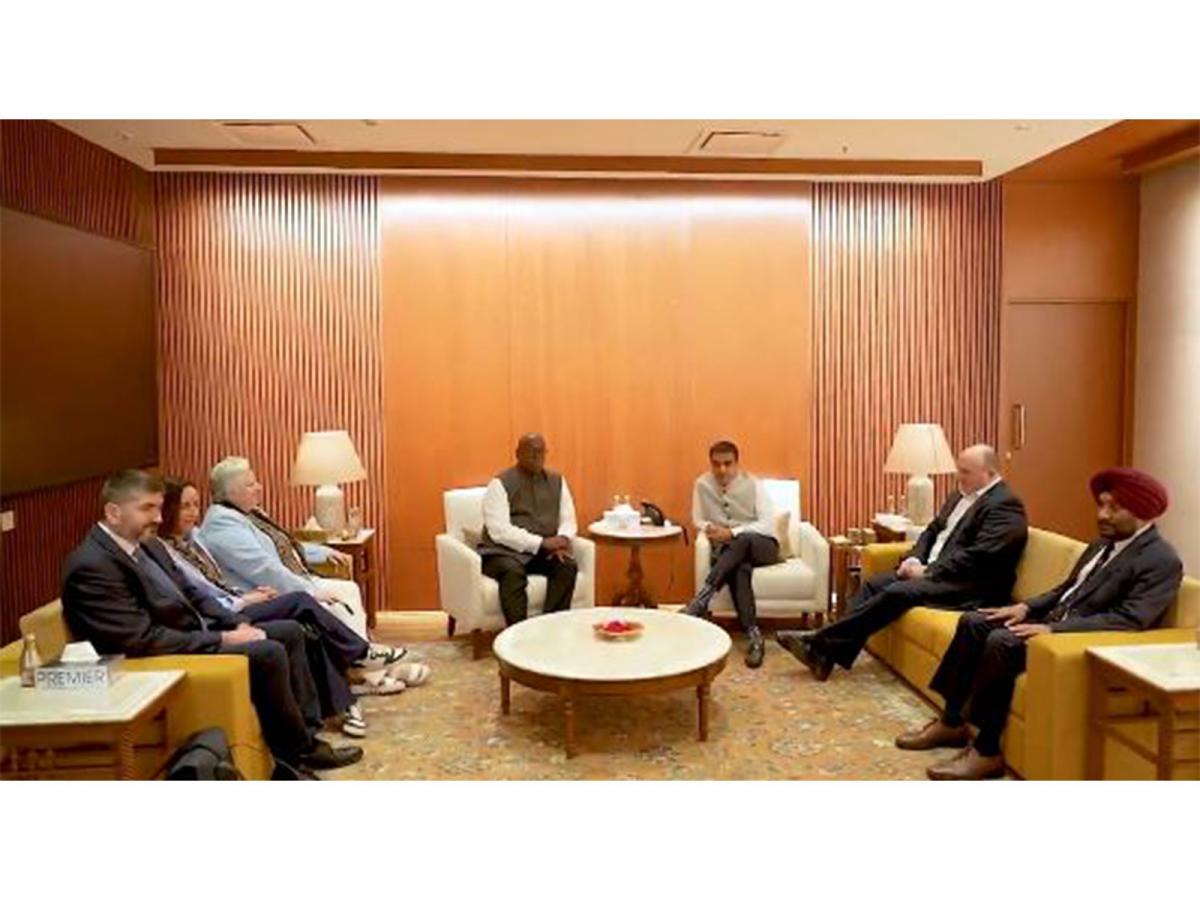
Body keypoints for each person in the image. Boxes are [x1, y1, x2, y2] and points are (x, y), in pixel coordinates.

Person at [61, 469, 362, 778]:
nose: (159, 518)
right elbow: (141, 640)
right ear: (113, 512)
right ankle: (293, 757)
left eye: (159, 508)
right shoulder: (93, 567)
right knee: (267, 652)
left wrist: (236, 623)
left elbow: (193, 594)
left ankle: (306, 741)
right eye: (147, 508)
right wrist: (222, 640)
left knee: (289, 631)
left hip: (189, 633)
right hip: (155, 657)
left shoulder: (147, 545)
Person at [898, 467, 1183, 779]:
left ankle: (986, 751)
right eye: (1101, 504)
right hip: (1052, 621)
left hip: (1075, 640)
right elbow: (1067, 589)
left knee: (1001, 643)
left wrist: (1053, 630)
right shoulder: (1102, 544)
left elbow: (1129, 619)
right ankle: (951, 722)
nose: (1102, 514)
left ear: (1141, 512)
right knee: (974, 622)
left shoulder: (1160, 561)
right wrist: (1025, 607)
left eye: (1114, 508)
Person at [157, 477, 427, 737]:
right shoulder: (184, 542)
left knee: (310, 621)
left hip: (239, 599)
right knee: (302, 601)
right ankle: (362, 657)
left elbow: (282, 547)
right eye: (185, 506)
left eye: (196, 504)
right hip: (225, 614)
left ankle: (351, 690)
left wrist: (247, 595)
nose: (194, 512)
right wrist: (244, 600)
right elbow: (218, 589)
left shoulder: (197, 537)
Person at [778, 444, 1028, 679]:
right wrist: (914, 558)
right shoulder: (959, 496)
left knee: (897, 592)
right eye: (958, 470)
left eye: (965, 472)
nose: (958, 477)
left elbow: (979, 556)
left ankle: (817, 642)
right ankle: (824, 657)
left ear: (989, 473)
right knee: (873, 584)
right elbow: (932, 531)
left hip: (967, 585)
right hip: (937, 573)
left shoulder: (1005, 505)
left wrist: (928, 571)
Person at [197, 456, 371, 640]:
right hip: (265, 593)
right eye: (250, 485)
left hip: (294, 579)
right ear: (230, 492)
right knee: (336, 599)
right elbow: (264, 569)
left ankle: (362, 648)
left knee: (348, 589)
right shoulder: (222, 523)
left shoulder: (248, 514)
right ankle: (359, 650)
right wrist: (310, 591)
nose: (259, 488)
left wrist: (323, 553)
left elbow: (284, 545)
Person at [681, 440, 780, 668]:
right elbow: (698, 519)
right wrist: (709, 528)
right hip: (731, 553)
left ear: (737, 463)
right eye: (716, 464)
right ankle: (754, 636)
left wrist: (732, 532)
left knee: (741, 540)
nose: (722, 470)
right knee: (740, 569)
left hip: (763, 546)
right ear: (711, 464)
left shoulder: (753, 484)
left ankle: (701, 599)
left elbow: (767, 524)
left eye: (728, 464)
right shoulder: (702, 484)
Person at [478, 433, 579, 625]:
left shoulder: (557, 481)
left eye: (541, 452)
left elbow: (568, 518)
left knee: (566, 566)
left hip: (542, 552)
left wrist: (563, 540)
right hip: (502, 552)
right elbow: (499, 530)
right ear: (518, 454)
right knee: (512, 572)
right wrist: (541, 543)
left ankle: (549, 627)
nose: (537, 456)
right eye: (531, 452)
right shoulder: (500, 483)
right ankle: (517, 633)